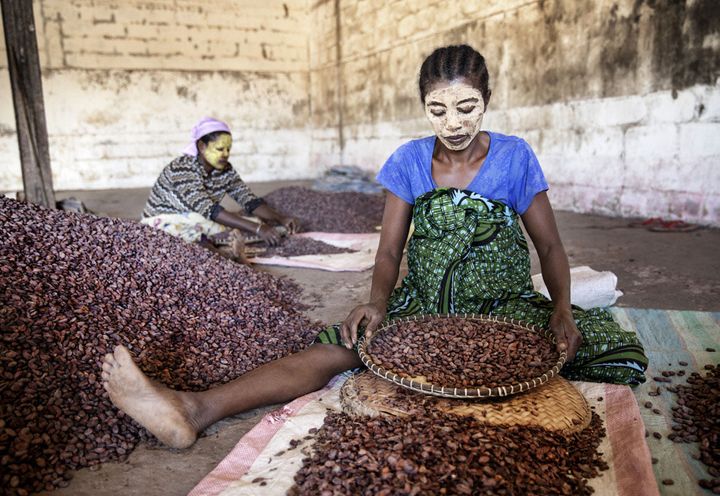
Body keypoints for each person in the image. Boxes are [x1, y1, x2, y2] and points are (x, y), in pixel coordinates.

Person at [102, 45, 648, 449]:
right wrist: (379, 302)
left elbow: (550, 246)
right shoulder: (408, 161)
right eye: (438, 109)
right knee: (337, 347)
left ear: (488, 101)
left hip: (501, 311)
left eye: (467, 107)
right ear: (422, 106)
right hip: (423, 306)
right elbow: (388, 253)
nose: (453, 123)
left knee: (603, 349)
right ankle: (193, 410)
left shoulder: (515, 157)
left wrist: (558, 309)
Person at [141, 117, 299, 260]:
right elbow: (210, 210)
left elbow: (248, 200)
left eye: (228, 149)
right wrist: (258, 229)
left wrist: (281, 218)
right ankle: (226, 256)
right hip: (164, 219)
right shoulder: (182, 168)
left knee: (256, 227)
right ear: (202, 146)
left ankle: (224, 248)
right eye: (219, 149)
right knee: (191, 242)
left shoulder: (225, 169)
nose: (225, 154)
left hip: (199, 218)